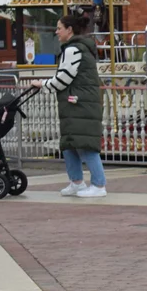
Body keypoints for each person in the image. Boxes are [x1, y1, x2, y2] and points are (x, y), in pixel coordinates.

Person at [30, 15, 107, 198]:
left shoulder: (73, 50)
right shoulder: (80, 48)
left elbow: (63, 78)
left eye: (59, 28)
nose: (56, 32)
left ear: (69, 29)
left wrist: (42, 84)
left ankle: (99, 184)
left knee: (86, 146)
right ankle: (77, 182)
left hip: (79, 104)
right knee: (69, 144)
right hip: (77, 104)